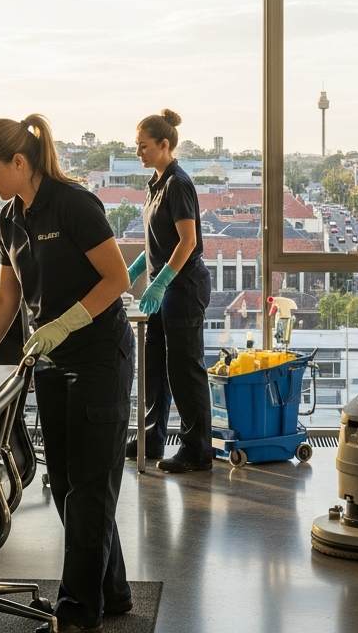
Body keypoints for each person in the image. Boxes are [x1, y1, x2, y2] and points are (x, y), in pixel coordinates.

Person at [0, 114, 133, 632]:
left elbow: (117, 278)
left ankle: (76, 611)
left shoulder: (74, 204)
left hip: (98, 357)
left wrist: (65, 323)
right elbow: (8, 294)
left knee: (89, 486)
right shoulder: (8, 218)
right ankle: (112, 590)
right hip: (51, 359)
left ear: (20, 162)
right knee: (65, 482)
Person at [123, 109, 213, 473]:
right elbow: (161, 240)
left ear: (164, 144)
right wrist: (136, 270)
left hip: (184, 286)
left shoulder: (178, 183)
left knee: (184, 368)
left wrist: (160, 283)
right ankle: (152, 437)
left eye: (143, 146)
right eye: (136, 146)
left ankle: (197, 450)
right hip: (166, 284)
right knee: (154, 365)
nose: (138, 153)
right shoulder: (156, 184)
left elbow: (188, 241)